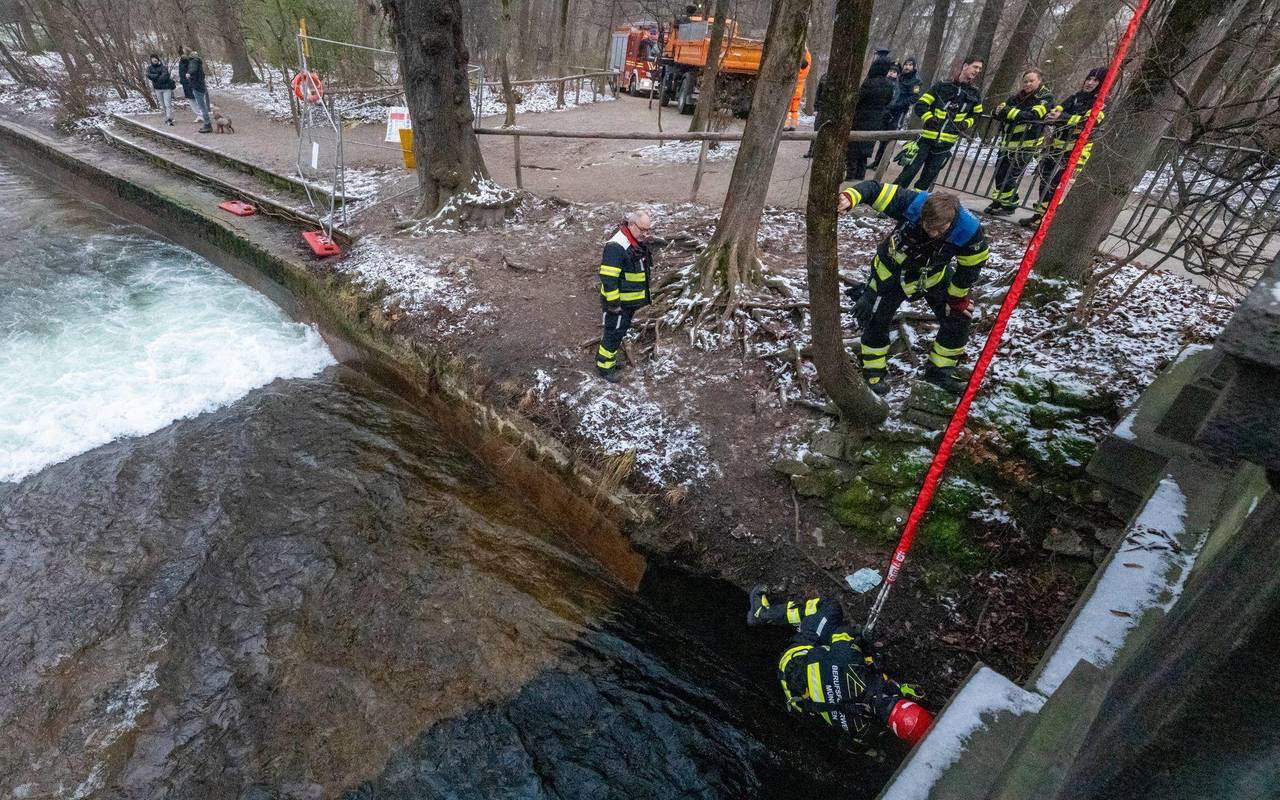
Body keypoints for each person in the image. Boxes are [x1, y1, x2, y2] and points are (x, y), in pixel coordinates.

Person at [838, 180, 990, 395]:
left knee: (959, 317)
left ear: (952, 220)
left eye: (941, 229)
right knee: (876, 318)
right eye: (929, 227)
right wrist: (851, 196)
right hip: (890, 273)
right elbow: (874, 190)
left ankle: (940, 371)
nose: (934, 233)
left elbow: (970, 267)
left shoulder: (969, 231)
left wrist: (957, 299)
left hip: (933, 276)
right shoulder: (912, 203)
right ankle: (873, 370)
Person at [748, 587, 934, 746]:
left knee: (829, 607)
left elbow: (841, 635)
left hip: (794, 660)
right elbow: (849, 744)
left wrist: (859, 637)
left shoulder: (851, 664)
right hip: (798, 697)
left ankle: (762, 614)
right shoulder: (867, 733)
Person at [1020, 67, 1108, 228]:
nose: (1089, 83)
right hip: (1056, 147)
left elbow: (1089, 123)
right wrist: (1056, 117)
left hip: (1075, 151)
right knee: (1045, 181)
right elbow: (1057, 111)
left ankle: (1049, 220)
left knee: (1056, 185)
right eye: (1089, 78)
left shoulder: (1100, 102)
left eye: (1095, 80)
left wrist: (1063, 118)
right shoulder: (1075, 97)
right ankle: (1040, 215)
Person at [894, 56, 985, 191]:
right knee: (907, 174)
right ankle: (890, 201)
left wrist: (966, 123)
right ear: (965, 66)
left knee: (926, 180)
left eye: (980, 69)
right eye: (975, 67)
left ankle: (914, 207)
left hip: (945, 145)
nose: (977, 71)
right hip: (926, 140)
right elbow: (921, 104)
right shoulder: (942, 86)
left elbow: (977, 115)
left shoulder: (975, 93)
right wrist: (929, 118)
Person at [984, 68, 1053, 216]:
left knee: (1010, 176)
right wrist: (998, 112)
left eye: (1031, 81)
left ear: (1040, 81)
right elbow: (999, 112)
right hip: (1008, 143)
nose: (1027, 84)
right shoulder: (1017, 97)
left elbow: (1033, 115)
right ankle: (999, 201)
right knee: (1000, 173)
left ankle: (1010, 205)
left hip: (1026, 146)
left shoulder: (1045, 98)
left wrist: (1008, 112)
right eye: (1025, 81)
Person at [596, 209, 654, 383]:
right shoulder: (616, 246)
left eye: (648, 230)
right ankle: (605, 368)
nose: (645, 234)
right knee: (613, 333)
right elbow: (608, 277)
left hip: (627, 302)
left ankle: (609, 361)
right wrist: (614, 304)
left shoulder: (633, 241)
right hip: (618, 303)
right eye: (642, 229)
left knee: (618, 332)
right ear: (631, 224)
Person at [847, 59, 895, 181]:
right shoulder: (889, 85)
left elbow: (859, 99)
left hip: (861, 117)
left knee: (854, 146)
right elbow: (889, 100)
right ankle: (860, 174)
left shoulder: (869, 83)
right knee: (866, 146)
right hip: (877, 118)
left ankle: (850, 174)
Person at [872, 57, 922, 168]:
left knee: (891, 137)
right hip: (889, 109)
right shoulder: (899, 77)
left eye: (910, 65)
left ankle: (883, 164)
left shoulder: (916, 81)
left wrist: (901, 104)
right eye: (906, 64)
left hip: (899, 112)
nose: (907, 67)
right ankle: (877, 162)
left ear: (914, 67)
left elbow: (914, 97)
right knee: (883, 136)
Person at [185, 49, 213, 133]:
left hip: (197, 87)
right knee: (202, 105)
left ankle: (207, 125)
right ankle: (207, 124)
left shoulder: (193, 62)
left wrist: (188, 74)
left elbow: (193, 70)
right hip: (200, 86)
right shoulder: (197, 61)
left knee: (202, 106)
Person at [784, 50, 812, 131]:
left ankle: (786, 124)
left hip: (791, 88)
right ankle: (793, 125)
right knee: (794, 110)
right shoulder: (806, 65)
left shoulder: (796, 70)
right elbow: (808, 62)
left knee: (788, 109)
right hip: (799, 90)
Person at [145, 54, 176, 126]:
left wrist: (155, 77)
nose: (154, 60)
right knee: (162, 104)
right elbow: (148, 75)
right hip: (157, 89)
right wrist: (157, 75)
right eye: (152, 59)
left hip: (166, 88)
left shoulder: (163, 67)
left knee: (167, 104)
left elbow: (164, 77)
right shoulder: (149, 68)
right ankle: (168, 116)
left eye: (155, 58)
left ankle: (168, 119)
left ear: (158, 59)